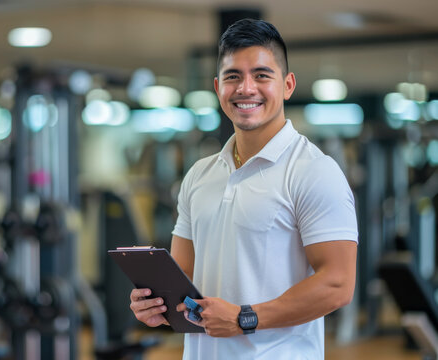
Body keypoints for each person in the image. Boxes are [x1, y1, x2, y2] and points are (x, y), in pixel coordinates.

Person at [129, 18, 358, 359]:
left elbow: (338, 284)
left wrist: (244, 318)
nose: (245, 88)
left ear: (288, 85)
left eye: (262, 75)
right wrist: (155, 305)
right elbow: (184, 280)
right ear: (217, 86)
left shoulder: (313, 171)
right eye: (233, 76)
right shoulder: (199, 175)